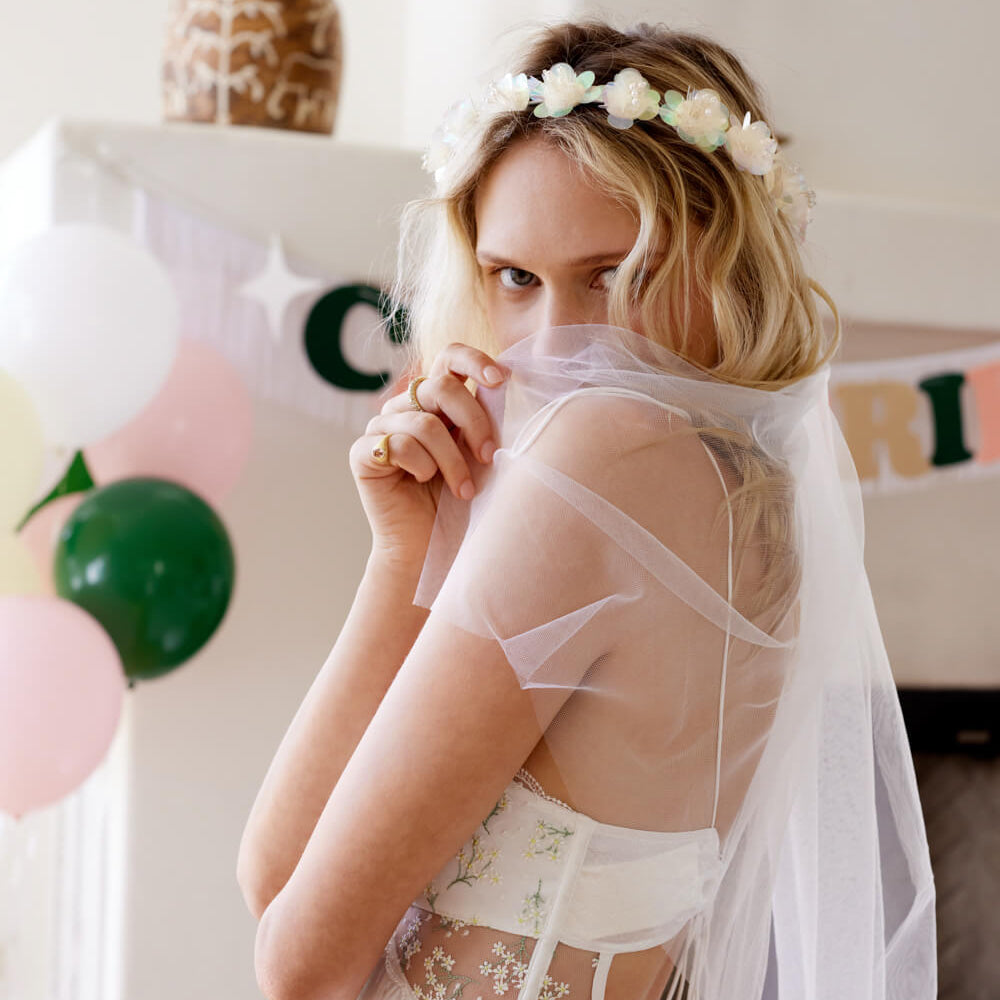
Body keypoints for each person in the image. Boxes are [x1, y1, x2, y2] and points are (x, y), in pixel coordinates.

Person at [238, 19, 937, 1000]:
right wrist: (406, 549)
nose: (559, 342)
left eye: (614, 275)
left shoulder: (612, 452)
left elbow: (297, 960)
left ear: (724, 267)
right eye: (515, 279)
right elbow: (275, 879)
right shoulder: (748, 496)